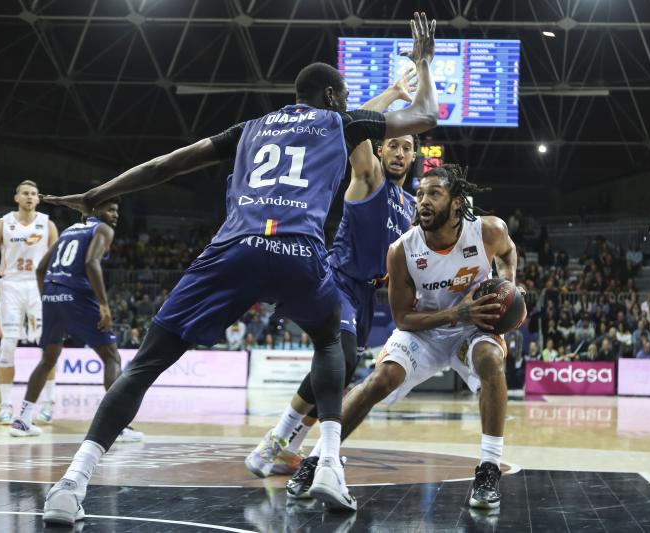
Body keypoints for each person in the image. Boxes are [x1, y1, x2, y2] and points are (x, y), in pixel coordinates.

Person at [39, 12, 439, 525]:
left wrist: (98, 193)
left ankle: (72, 483)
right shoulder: (338, 123)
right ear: (333, 97)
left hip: (231, 250)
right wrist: (423, 64)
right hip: (297, 251)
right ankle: (328, 466)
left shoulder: (248, 129)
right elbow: (426, 113)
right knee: (329, 343)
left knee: (144, 365)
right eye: (343, 99)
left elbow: (165, 164)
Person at [286, 165, 524, 510]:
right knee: (380, 379)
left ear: (456, 202)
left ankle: (489, 469)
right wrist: (456, 313)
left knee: (490, 360)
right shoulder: (401, 250)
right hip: (426, 328)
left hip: (472, 328)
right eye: (421, 194)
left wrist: (509, 285)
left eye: (434, 194)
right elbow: (402, 318)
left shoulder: (488, 230)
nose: (423, 201)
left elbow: (508, 252)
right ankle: (320, 459)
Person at [245, 71, 418, 478]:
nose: (399, 152)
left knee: (338, 376)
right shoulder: (369, 177)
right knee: (340, 359)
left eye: (407, 147)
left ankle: (289, 449)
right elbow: (348, 125)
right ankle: (273, 442)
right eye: (393, 144)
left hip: (367, 294)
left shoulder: (411, 205)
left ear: (413, 157)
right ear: (380, 148)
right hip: (336, 279)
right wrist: (392, 93)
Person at [9, 199, 142, 442]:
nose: (115, 215)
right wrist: (104, 304)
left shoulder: (68, 230)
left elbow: (40, 269)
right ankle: (117, 427)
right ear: (95, 211)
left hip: (52, 293)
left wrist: (49, 298)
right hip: (78, 294)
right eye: (110, 209)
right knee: (111, 357)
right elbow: (91, 262)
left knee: (48, 360)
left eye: (117, 210)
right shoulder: (102, 229)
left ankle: (23, 420)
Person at [0, 180, 59, 424]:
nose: (30, 196)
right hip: (11, 285)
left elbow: (58, 261)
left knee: (47, 344)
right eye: (25, 193)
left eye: (34, 194)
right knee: (8, 344)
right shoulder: (3, 223)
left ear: (38, 199)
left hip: (38, 287)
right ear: (16, 197)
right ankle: (6, 406)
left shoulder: (47, 224)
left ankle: (48, 403)